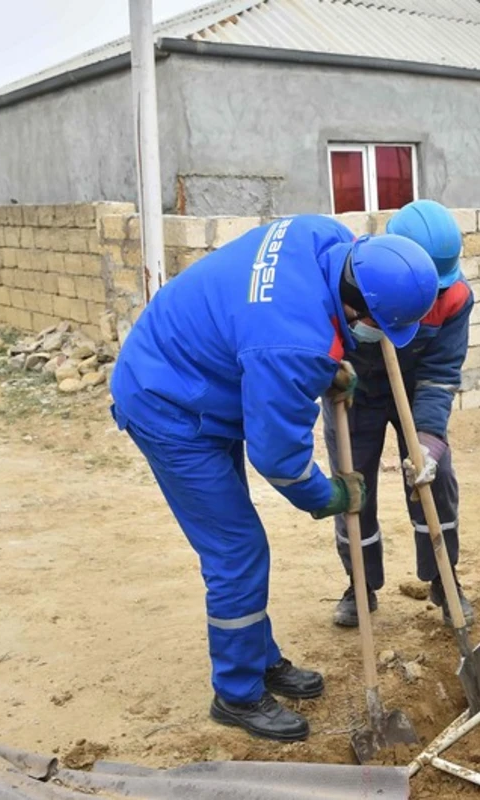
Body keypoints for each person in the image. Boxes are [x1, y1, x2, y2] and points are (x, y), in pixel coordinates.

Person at [109, 215, 439, 742]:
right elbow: (278, 457)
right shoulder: (293, 344)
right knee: (236, 550)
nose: (375, 337)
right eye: (376, 326)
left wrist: (328, 365)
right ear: (358, 308)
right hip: (168, 404)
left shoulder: (321, 236)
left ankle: (260, 660)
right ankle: (237, 694)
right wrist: (328, 494)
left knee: (241, 545)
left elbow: (264, 319)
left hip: (199, 366)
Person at [323, 200, 475, 629]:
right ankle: (361, 583)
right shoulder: (353, 275)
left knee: (436, 476)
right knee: (352, 488)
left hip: (413, 393)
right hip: (354, 392)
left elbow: (441, 372)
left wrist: (427, 443)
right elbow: (318, 337)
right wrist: (336, 364)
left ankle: (444, 579)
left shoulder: (456, 297)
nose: (434, 295)